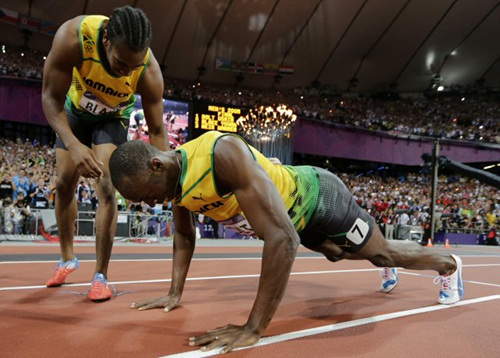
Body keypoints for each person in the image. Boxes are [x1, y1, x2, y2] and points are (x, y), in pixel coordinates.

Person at [109, 131, 464, 353]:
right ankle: (372, 256)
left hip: (319, 197)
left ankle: (448, 266)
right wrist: (174, 292)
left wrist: (253, 328)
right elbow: (185, 236)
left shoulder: (221, 154)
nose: (150, 204)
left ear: (156, 165)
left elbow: (282, 238)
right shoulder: (175, 186)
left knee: (383, 254)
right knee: (335, 253)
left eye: (146, 196)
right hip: (294, 218)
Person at [42, 6, 168, 301]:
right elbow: (50, 98)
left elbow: (158, 130)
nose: (127, 71)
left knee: (107, 187)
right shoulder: (74, 37)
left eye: (132, 67)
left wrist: (163, 177)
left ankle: (101, 275)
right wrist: (73, 144)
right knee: (63, 182)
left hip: (113, 119)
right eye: (121, 62)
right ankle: (66, 258)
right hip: (74, 112)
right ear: (107, 38)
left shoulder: (148, 70)